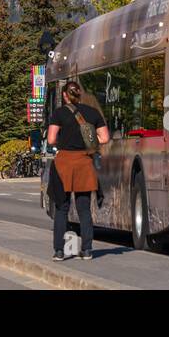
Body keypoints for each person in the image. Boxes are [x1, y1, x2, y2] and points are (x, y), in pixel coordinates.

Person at [45, 80, 110, 261]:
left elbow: (51, 140)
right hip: (84, 163)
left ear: (65, 95)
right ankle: (87, 250)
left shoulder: (59, 113)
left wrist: (64, 140)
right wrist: (88, 141)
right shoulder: (93, 113)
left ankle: (59, 251)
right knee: (84, 209)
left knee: (61, 209)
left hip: (64, 164)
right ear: (79, 93)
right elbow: (104, 138)